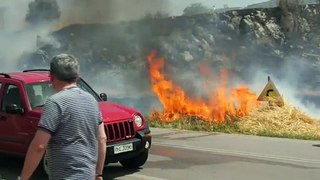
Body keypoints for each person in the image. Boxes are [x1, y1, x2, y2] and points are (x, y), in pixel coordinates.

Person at [19, 54, 107, 180]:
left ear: (52, 76)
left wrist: (24, 178)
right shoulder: (91, 100)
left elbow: (39, 146)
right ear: (77, 75)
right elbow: (102, 138)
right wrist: (98, 173)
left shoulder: (55, 102)